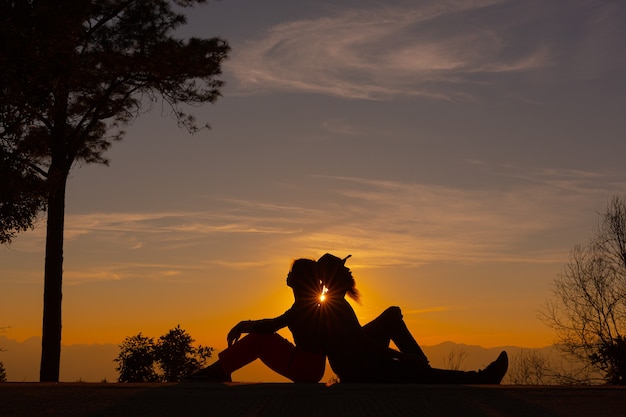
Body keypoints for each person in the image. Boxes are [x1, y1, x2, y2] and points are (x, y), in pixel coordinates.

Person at [317, 253, 508, 384]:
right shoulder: (335, 306)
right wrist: (402, 356)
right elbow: (362, 343)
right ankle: (479, 378)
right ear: (335, 276)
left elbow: (358, 339)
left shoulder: (335, 303)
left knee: (392, 315)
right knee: (420, 372)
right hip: (359, 370)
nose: (349, 271)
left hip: (356, 364)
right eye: (343, 269)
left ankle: (422, 367)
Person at [186, 258, 326, 383]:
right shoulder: (307, 303)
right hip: (309, 366)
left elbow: (270, 326)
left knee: (260, 339)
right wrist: (244, 325)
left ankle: (216, 372)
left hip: (307, 368)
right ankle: (219, 371)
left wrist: (243, 326)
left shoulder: (306, 305)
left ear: (300, 278)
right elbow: (273, 323)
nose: (288, 275)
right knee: (264, 338)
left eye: (291, 272)